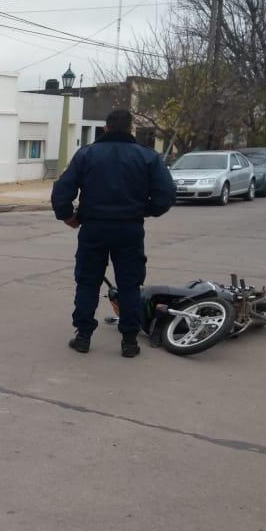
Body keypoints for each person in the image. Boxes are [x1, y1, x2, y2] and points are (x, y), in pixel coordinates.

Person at [51, 109, 176, 358]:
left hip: (93, 228)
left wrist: (68, 216)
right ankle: (129, 341)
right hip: (129, 228)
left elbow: (61, 191)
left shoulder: (87, 155)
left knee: (87, 282)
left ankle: (83, 336)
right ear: (131, 129)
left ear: (105, 128)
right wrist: (144, 210)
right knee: (130, 284)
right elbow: (166, 195)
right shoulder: (147, 157)